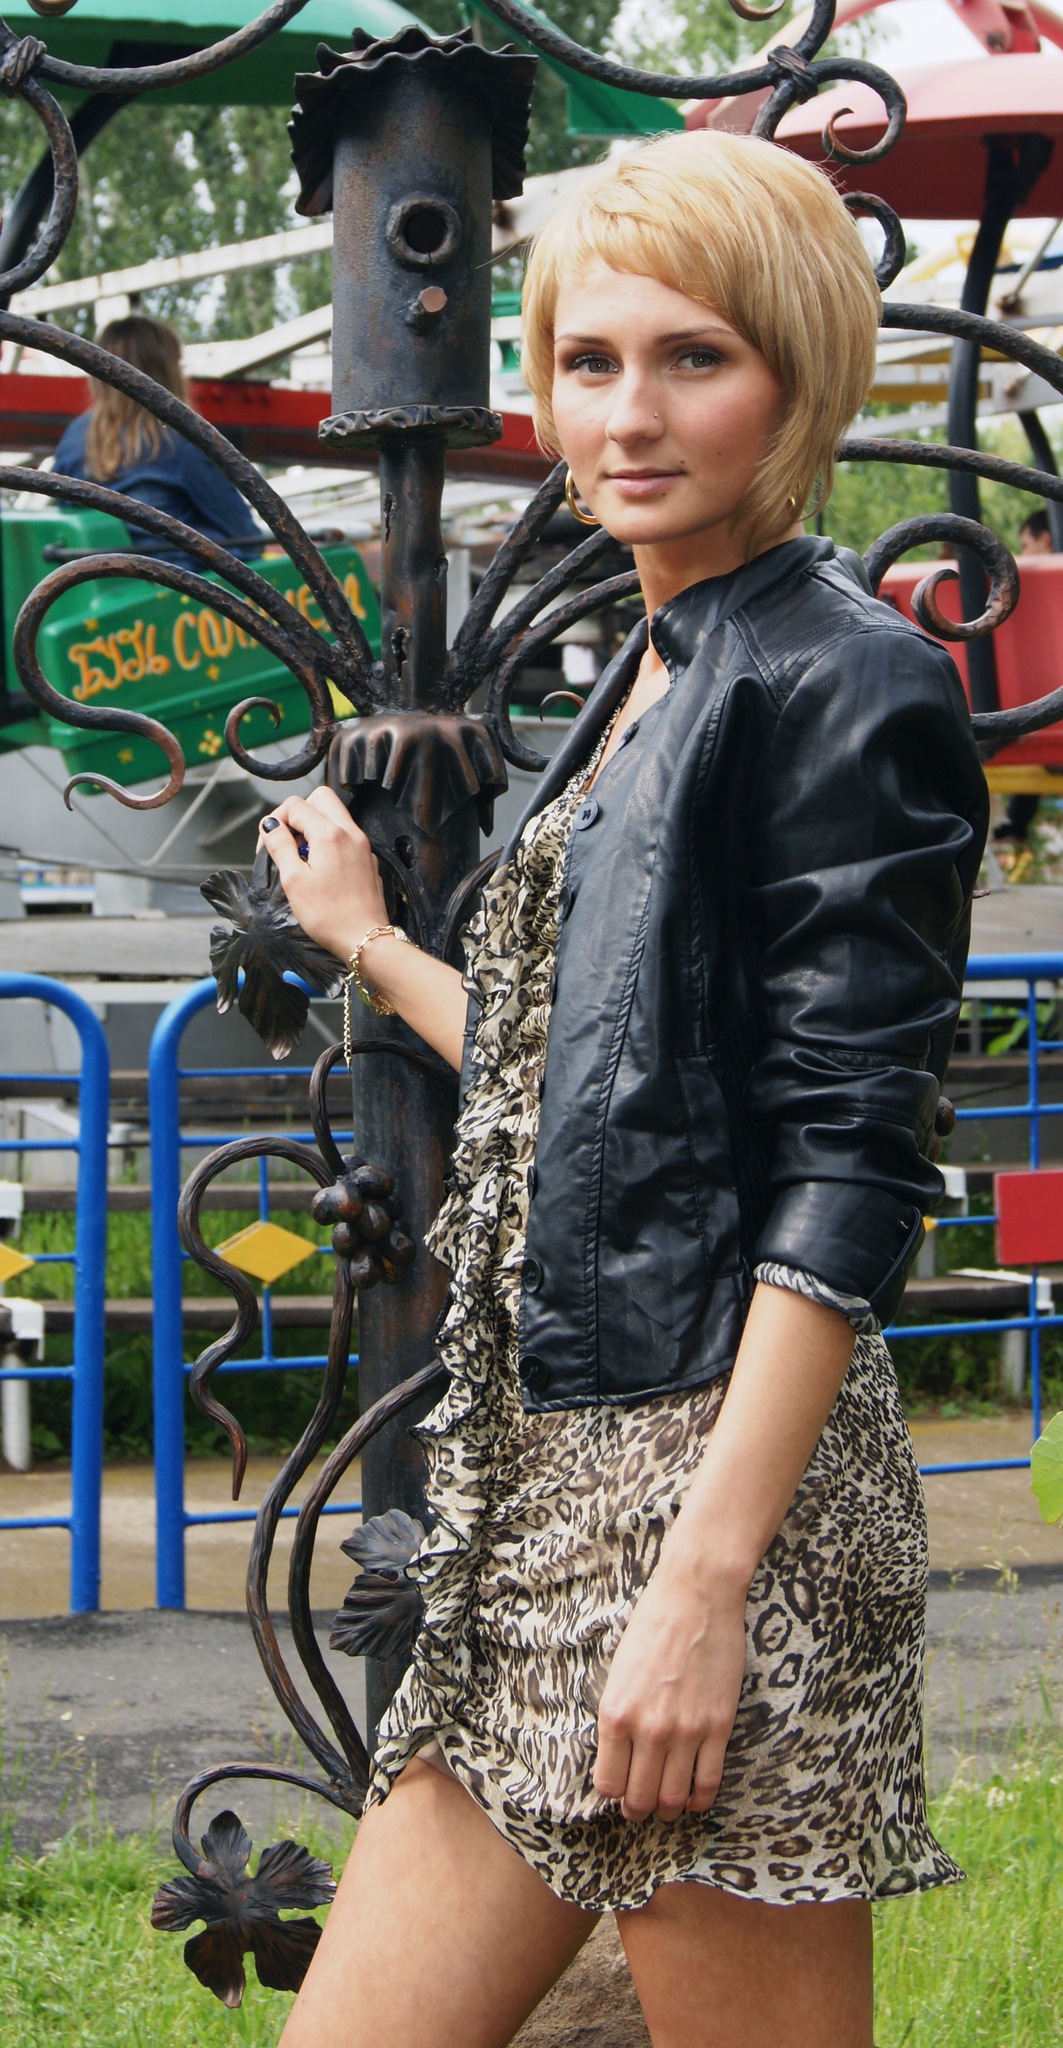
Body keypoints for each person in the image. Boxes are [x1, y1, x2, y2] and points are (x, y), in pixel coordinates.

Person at [258, 131, 988, 2048]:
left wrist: (701, 1579)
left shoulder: (846, 679)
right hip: (542, 1482)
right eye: (588, 360)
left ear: (794, 375)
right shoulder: (656, 656)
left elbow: (851, 1157)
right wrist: (372, 943)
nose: (629, 415)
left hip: (712, 1490)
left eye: (693, 358)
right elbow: (587, 1079)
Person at [51, 313, 260, 571]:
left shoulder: (73, 440)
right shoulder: (180, 440)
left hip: (96, 580)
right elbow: (246, 535)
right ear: (166, 372)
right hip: (178, 583)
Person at [993, 507, 1055, 845]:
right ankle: (1016, 822)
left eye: (1026, 545)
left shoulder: (1038, 587)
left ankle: (1016, 823)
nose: (1024, 554)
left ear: (1045, 539)